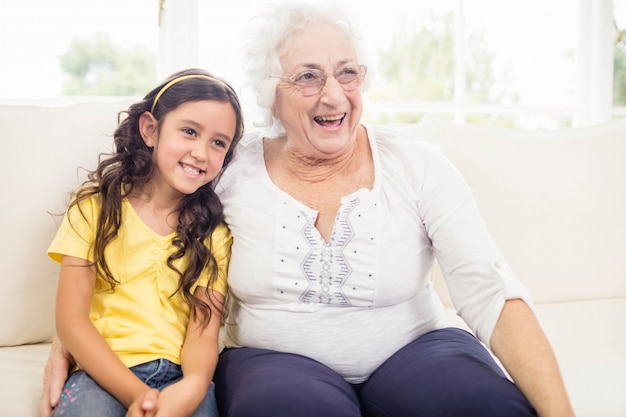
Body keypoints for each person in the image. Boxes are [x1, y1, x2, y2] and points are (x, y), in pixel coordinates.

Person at [42, 2, 576, 417]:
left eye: (347, 73)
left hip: (418, 350)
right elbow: (144, 245)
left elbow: (489, 290)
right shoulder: (227, 169)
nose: (334, 96)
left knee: (483, 406)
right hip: (277, 363)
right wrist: (75, 345)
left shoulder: (417, 165)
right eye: (308, 76)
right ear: (269, 96)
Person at [42, 68, 244, 417]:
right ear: (150, 129)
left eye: (217, 143)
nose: (200, 152)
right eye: (189, 131)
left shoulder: (215, 234)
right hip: (101, 372)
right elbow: (71, 320)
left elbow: (203, 333)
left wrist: (194, 385)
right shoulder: (94, 207)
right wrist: (138, 395)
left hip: (179, 377)